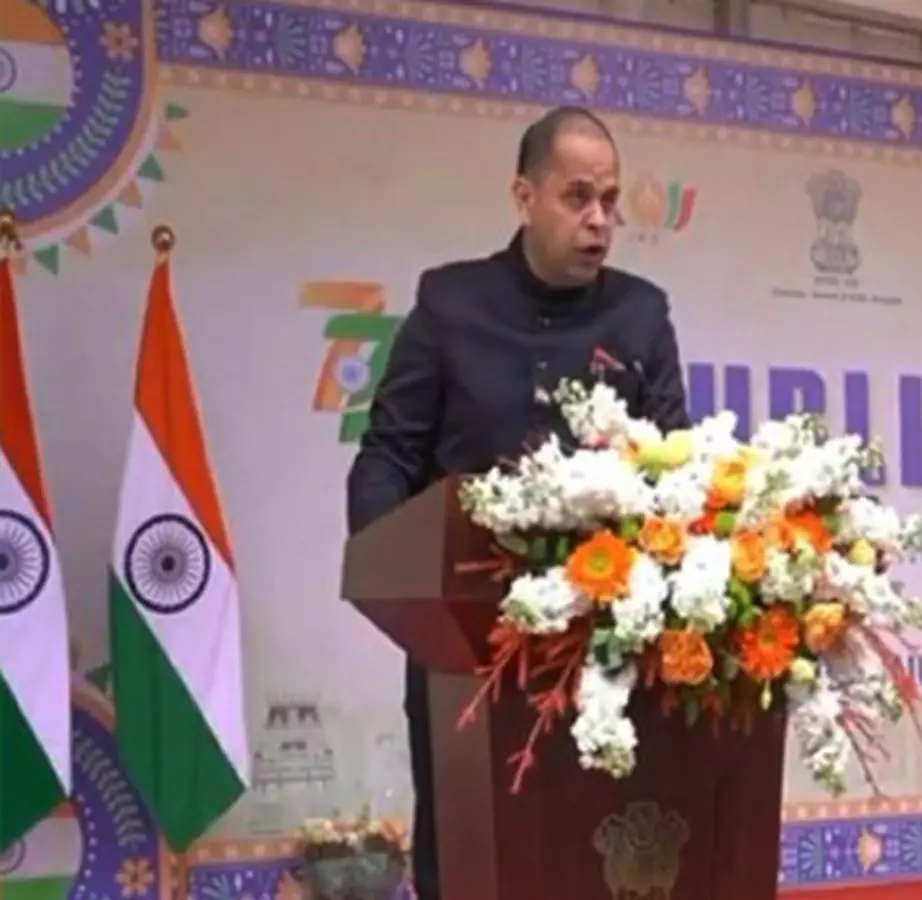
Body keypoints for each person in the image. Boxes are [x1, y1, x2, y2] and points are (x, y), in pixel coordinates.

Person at [345, 106, 691, 900]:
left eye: (610, 200)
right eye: (578, 197)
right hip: (468, 643)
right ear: (524, 196)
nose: (599, 219)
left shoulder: (642, 315)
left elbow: (678, 470)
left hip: (607, 645)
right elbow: (388, 456)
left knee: (594, 854)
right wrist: (394, 578)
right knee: (470, 861)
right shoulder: (450, 304)